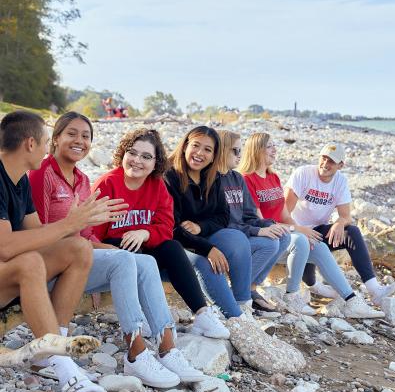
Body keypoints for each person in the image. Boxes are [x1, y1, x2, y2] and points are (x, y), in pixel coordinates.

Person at [28, 112, 205, 387]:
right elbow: (34, 234)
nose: (79, 141)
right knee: (124, 259)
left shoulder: (82, 180)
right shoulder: (43, 174)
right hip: (47, 267)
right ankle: (135, 352)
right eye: (71, 134)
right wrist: (106, 255)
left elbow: (86, 236)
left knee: (143, 262)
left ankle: (168, 348)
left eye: (86, 136)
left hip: (76, 261)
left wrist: (102, 257)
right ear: (55, 138)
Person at [0, 110, 121, 392]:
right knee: (30, 262)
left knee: (77, 248)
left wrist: (78, 227)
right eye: (44, 141)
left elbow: (38, 234)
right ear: (30, 143)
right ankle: (65, 369)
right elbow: (4, 246)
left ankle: (55, 345)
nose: (46, 149)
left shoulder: (20, 181)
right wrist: (69, 224)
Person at [92, 128, 229, 339]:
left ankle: (202, 315)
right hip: (112, 255)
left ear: (156, 163)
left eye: (146, 156)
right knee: (122, 247)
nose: (137, 160)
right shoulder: (107, 184)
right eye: (132, 153)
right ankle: (140, 316)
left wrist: (144, 232)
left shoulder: (157, 186)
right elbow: (89, 234)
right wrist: (106, 255)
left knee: (172, 247)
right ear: (123, 154)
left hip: (144, 251)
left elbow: (167, 226)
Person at [239, 132, 384, 318]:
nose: (275, 150)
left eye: (274, 145)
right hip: (268, 241)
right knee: (301, 240)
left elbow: (284, 213)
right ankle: (292, 296)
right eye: (270, 146)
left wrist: (299, 229)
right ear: (257, 150)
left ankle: (352, 301)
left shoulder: (272, 177)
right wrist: (298, 229)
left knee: (319, 246)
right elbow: (261, 222)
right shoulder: (246, 179)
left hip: (284, 234)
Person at [285, 142, 395, 305]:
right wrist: (300, 231)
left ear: (340, 165)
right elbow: (283, 214)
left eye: (331, 161)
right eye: (323, 158)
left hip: (317, 231)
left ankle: (375, 290)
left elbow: (346, 216)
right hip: (294, 231)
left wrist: (339, 223)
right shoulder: (303, 173)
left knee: (351, 232)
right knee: (308, 275)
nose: (325, 164)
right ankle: (315, 287)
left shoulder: (340, 181)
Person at [164, 126, 253, 319]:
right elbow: (171, 228)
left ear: (214, 156)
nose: (199, 153)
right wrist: (208, 249)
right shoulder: (169, 178)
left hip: (202, 236)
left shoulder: (212, 178)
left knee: (237, 239)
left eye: (207, 149)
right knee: (206, 262)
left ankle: (243, 303)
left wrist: (200, 227)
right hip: (174, 245)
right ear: (185, 146)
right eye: (196, 145)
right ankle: (236, 319)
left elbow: (223, 216)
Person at [217, 129, 290, 312]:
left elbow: (249, 215)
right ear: (222, 150)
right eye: (235, 151)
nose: (239, 155)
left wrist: (270, 225)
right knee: (269, 245)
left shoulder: (237, 178)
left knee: (283, 236)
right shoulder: (214, 181)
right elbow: (222, 223)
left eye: (241, 150)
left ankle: (250, 288)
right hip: (228, 238)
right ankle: (239, 291)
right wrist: (258, 231)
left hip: (242, 232)